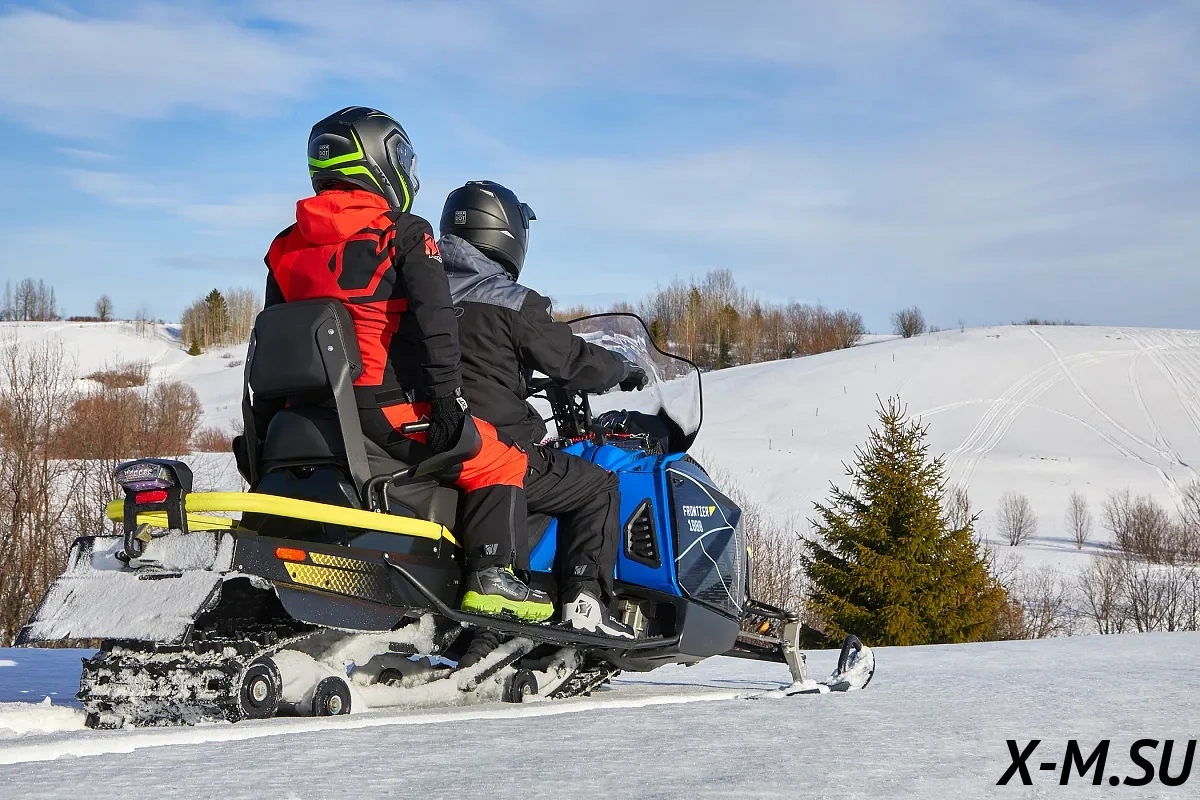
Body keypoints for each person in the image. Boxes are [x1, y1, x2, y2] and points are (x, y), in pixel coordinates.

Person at [262, 108, 552, 623]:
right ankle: (493, 579)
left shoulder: (284, 246)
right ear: (381, 160)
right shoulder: (403, 234)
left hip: (299, 423)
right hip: (386, 417)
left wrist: (263, 435)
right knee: (502, 458)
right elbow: (438, 327)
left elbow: (271, 339)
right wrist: (449, 402)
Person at [437, 180, 648, 638]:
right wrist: (622, 369)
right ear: (505, 232)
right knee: (598, 485)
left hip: (431, 444)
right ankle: (585, 604)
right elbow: (572, 360)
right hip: (497, 449)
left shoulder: (421, 293)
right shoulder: (510, 301)